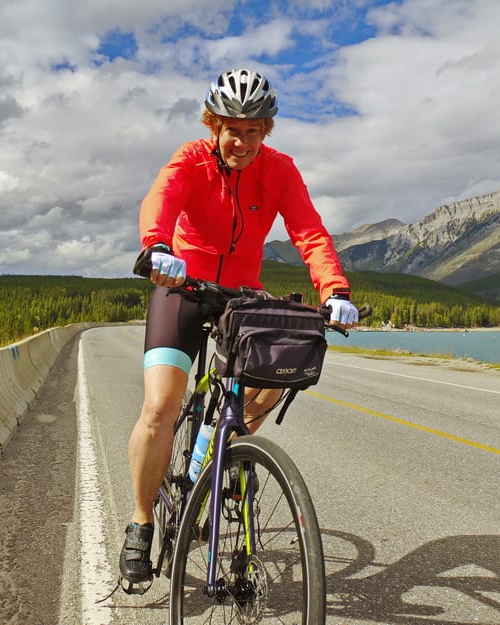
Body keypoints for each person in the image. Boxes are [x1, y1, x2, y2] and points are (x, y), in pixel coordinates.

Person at [120, 68, 360, 583]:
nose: (243, 142)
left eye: (254, 131)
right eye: (233, 129)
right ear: (215, 126)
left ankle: (223, 450)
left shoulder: (279, 170)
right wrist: (158, 247)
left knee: (272, 380)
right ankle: (141, 522)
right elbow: (160, 199)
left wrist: (334, 290)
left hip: (241, 296)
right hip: (181, 286)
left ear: (266, 131)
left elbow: (309, 232)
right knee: (160, 406)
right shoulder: (191, 159)